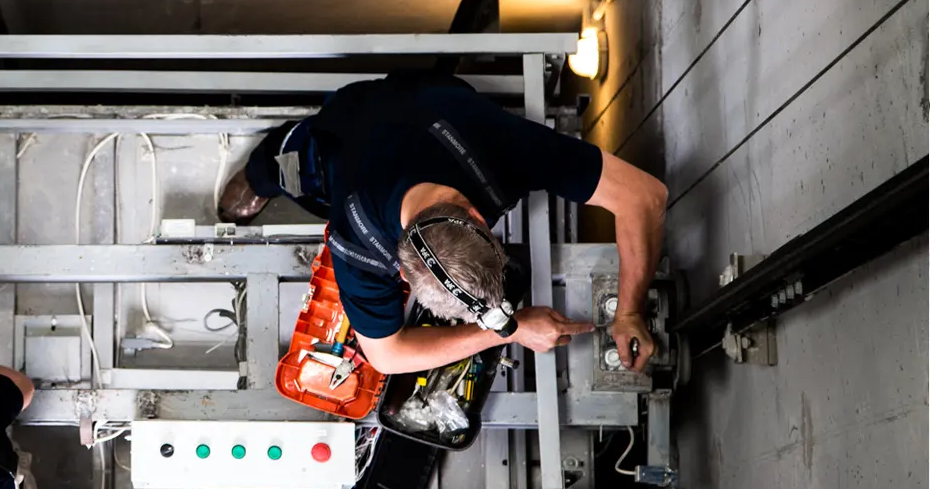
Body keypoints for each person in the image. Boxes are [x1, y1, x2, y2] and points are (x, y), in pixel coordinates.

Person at [218, 71, 666, 375]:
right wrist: (502, 333)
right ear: (401, 271)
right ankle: (258, 173)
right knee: (284, 164)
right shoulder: (356, 241)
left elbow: (645, 195)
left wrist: (629, 310)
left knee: (420, 91)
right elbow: (386, 357)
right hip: (335, 145)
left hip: (419, 101)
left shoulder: (499, 145)